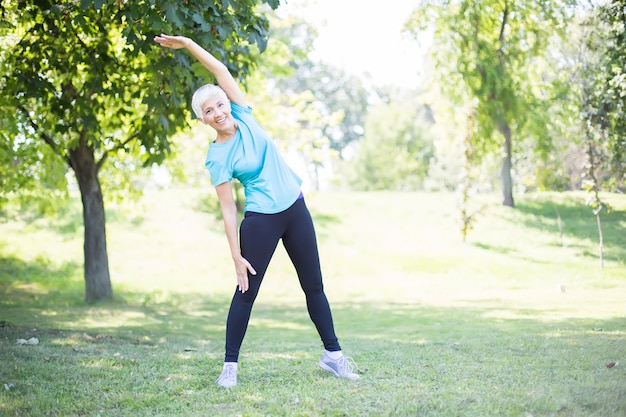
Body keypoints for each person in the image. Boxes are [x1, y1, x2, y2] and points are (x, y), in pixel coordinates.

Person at [153, 34, 359, 388]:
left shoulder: (244, 113)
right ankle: (229, 367)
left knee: (314, 286)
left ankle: (334, 357)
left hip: (295, 207)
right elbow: (228, 209)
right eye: (209, 111)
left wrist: (188, 45)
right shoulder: (217, 156)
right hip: (262, 219)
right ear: (202, 120)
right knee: (246, 291)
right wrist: (235, 255)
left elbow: (218, 70)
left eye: (219, 104)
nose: (217, 112)